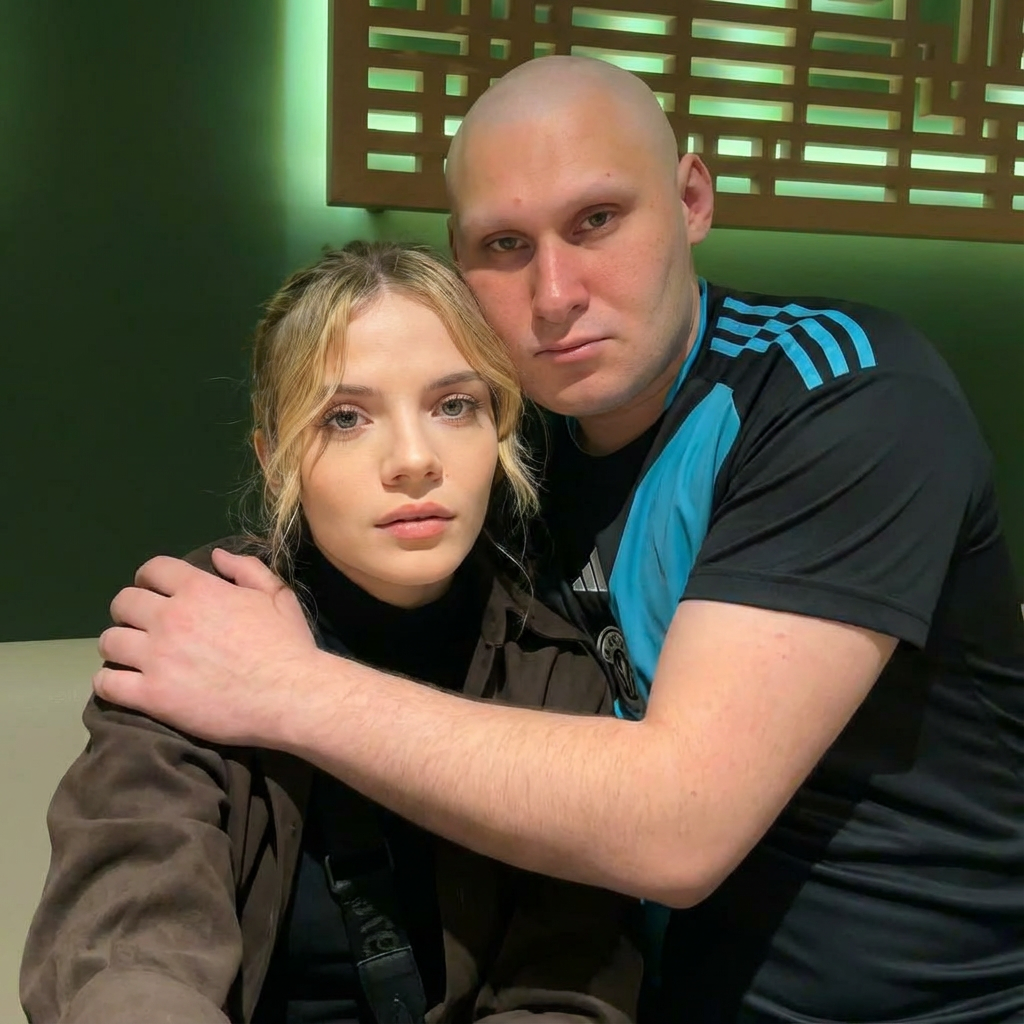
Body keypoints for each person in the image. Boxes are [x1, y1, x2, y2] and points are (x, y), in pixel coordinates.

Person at [89, 57, 1023, 1023]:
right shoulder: (511, 447)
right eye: (504, 243)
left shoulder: (840, 397)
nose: (554, 293)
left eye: (597, 220)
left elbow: (678, 825)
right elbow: (131, 925)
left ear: (692, 200)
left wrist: (288, 687)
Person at [20, 241, 643, 1024]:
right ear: (274, 457)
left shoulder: (552, 670)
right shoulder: (195, 627)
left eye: (455, 405)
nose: (413, 460)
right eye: (345, 418)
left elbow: (566, 987)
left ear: (500, 431)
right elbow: (129, 940)